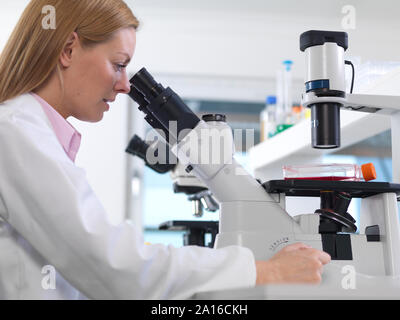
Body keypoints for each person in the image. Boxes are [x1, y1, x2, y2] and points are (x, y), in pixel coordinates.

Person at [0, 0, 330, 300]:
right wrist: (263, 270)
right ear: (69, 49)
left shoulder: (30, 133)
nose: (126, 84)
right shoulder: (15, 132)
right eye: (118, 64)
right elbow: (107, 261)